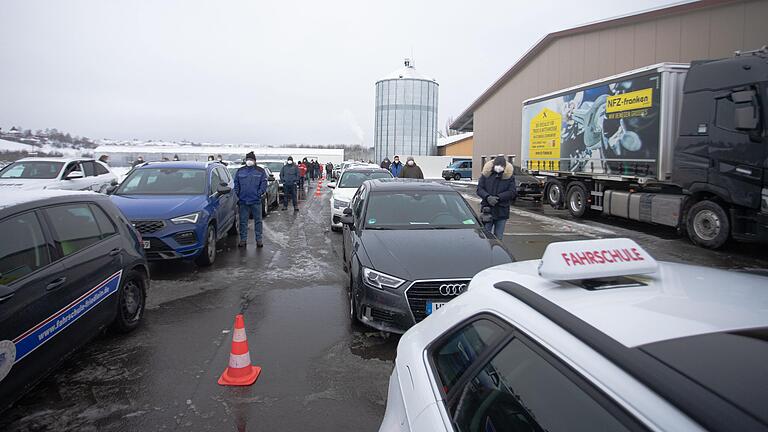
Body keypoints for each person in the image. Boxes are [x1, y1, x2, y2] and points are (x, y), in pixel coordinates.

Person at [476, 156, 517, 238]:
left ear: (505, 167)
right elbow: (479, 189)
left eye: (501, 166)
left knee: (499, 236)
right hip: (487, 210)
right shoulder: (486, 175)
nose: (499, 167)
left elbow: (512, 192)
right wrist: (487, 197)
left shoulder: (509, 177)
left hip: (502, 210)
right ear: (493, 165)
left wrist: (499, 197)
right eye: (497, 165)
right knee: (485, 236)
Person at [234, 152, 268, 248]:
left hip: (256, 200)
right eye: (248, 159)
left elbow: (264, 183)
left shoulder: (260, 171)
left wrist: (259, 193)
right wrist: (238, 194)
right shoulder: (240, 171)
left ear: (254, 161)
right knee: (243, 221)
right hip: (243, 201)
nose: (249, 161)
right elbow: (236, 183)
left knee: (258, 221)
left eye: (251, 160)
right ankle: (243, 240)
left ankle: (259, 239)